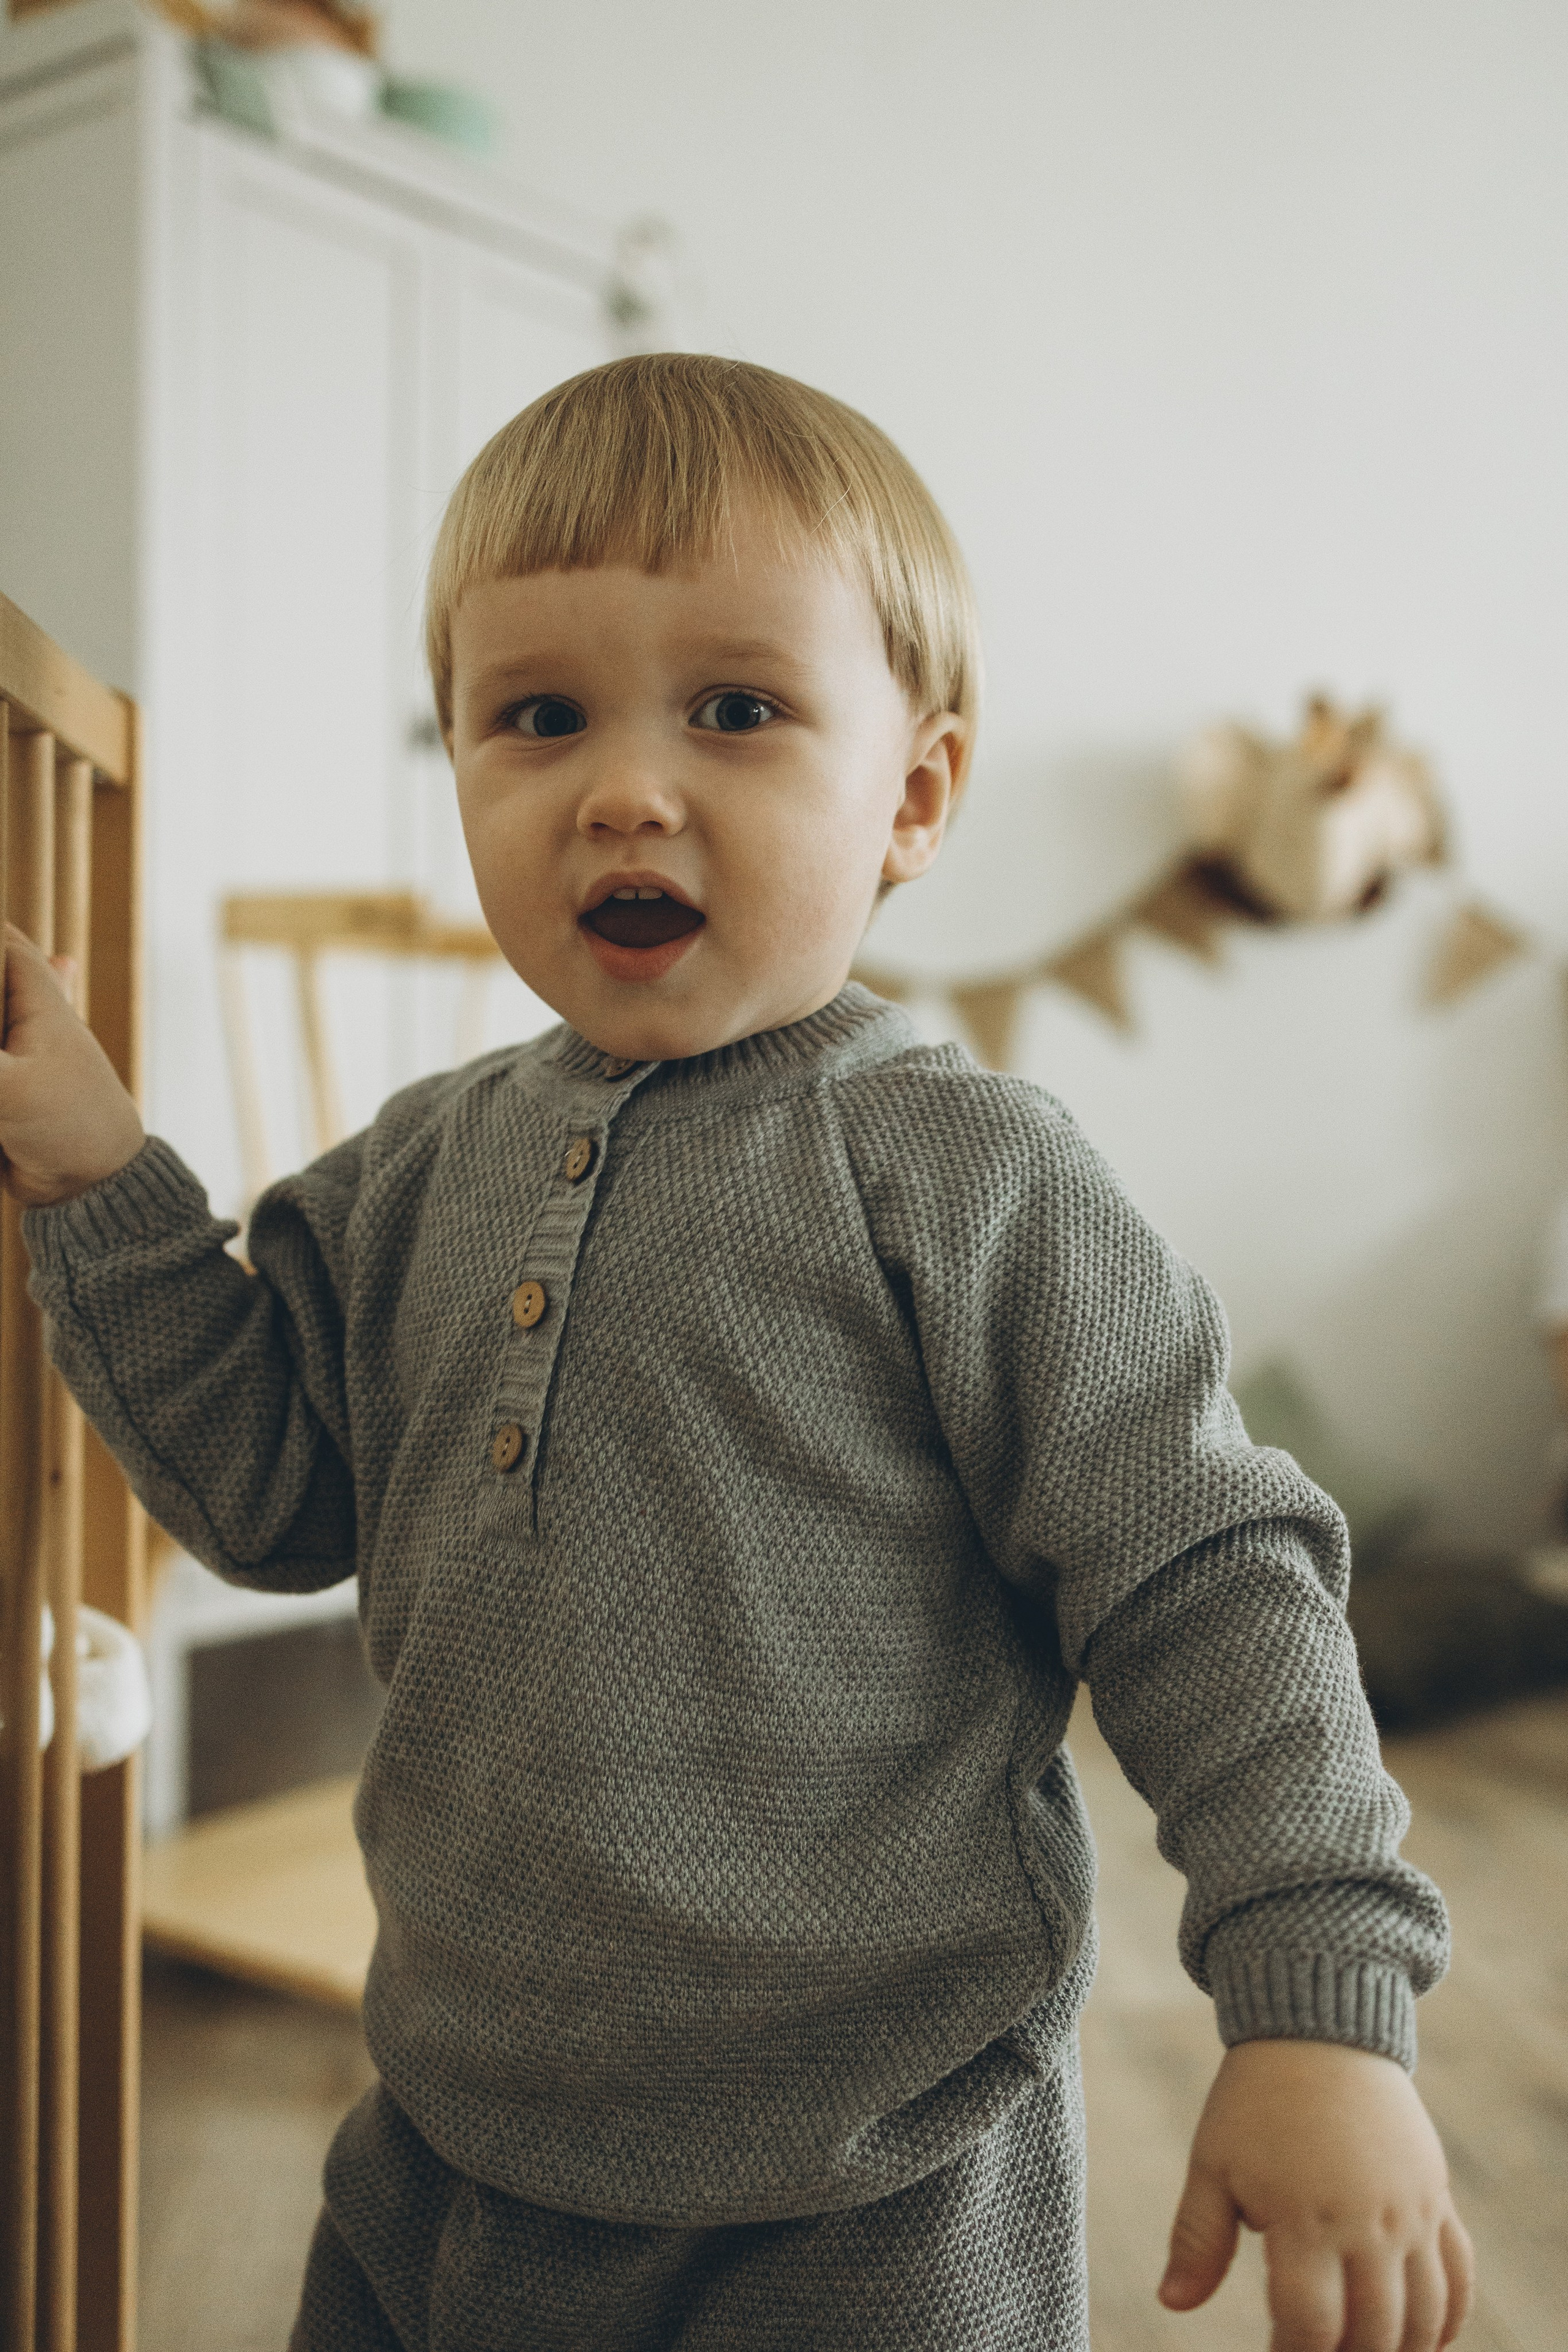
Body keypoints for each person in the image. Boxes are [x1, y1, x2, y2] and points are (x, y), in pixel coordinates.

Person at [1, 354, 1471, 2351]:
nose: (622, 783)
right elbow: (268, 1490)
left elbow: (1210, 1578)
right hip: (449, 2127)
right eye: (538, 716)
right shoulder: (425, 1167)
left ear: (915, 795)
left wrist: (1320, 2004)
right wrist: (101, 1174)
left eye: (737, 710)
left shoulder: (965, 1173)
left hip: (863, 2187)